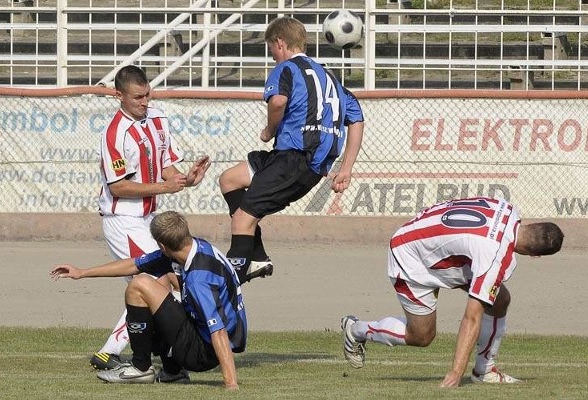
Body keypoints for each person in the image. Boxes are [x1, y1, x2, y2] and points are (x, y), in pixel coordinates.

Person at [340, 196, 564, 388]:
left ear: (533, 225)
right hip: (410, 257)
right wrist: (456, 372)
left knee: (498, 299)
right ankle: (356, 330)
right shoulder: (494, 256)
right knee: (421, 336)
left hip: (427, 235)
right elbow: (472, 317)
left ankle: (484, 371)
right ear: (536, 256)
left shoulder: (505, 207)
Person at [219, 16, 365, 284]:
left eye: (271, 49)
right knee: (229, 179)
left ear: (280, 43)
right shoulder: (329, 76)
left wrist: (269, 130)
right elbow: (356, 118)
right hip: (292, 159)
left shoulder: (286, 69)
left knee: (242, 219)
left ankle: (228, 288)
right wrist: (346, 168)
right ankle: (257, 256)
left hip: (294, 161)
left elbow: (277, 102)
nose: (272, 56)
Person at [93, 64, 211, 370]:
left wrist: (187, 179)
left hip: (149, 218)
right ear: (118, 96)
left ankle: (136, 350)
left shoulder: (158, 118)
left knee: (164, 281)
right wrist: (165, 187)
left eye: (147, 94)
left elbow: (168, 168)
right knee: (156, 281)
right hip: (123, 220)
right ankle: (113, 351)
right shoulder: (114, 133)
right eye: (137, 97)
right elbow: (118, 186)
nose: (144, 102)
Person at [50, 211, 245, 389]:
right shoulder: (195, 247)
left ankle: (140, 368)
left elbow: (218, 330)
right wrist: (82, 273)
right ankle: (173, 372)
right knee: (162, 281)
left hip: (203, 353)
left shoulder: (198, 278)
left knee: (139, 286)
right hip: (205, 338)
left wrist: (231, 383)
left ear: (162, 245)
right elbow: (135, 264)